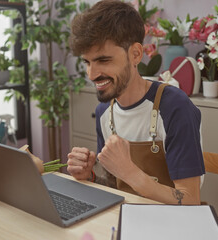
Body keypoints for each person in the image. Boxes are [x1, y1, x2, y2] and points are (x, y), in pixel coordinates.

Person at [67, 0, 204, 205]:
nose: (92, 74)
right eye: (87, 62)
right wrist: (90, 176)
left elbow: (190, 199)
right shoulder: (104, 111)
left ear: (136, 54)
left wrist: (130, 172)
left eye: (103, 60)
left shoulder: (175, 107)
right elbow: (118, 189)